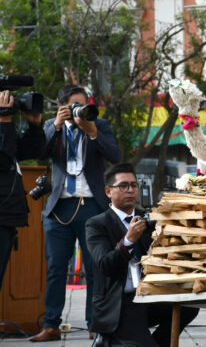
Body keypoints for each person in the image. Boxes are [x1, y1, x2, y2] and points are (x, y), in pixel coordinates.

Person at [31, 85, 121, 342]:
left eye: (85, 104)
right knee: (56, 268)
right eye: (75, 106)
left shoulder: (98, 125)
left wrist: (92, 133)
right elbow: (38, 154)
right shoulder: (52, 125)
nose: (81, 111)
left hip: (92, 205)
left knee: (95, 268)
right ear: (63, 107)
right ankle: (51, 325)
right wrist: (57, 126)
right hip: (60, 206)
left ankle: (96, 324)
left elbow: (115, 155)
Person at [86, 163, 199, 346]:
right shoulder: (97, 224)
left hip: (149, 296)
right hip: (120, 303)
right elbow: (105, 264)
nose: (130, 190)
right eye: (123, 186)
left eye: (134, 185)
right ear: (108, 192)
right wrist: (128, 240)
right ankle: (108, 338)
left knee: (188, 307)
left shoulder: (147, 217)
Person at [0, 90, 45, 289]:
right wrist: (4, 121)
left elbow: (31, 152)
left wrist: (34, 126)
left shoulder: (5, 128)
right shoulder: (4, 126)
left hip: (6, 215)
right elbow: (3, 161)